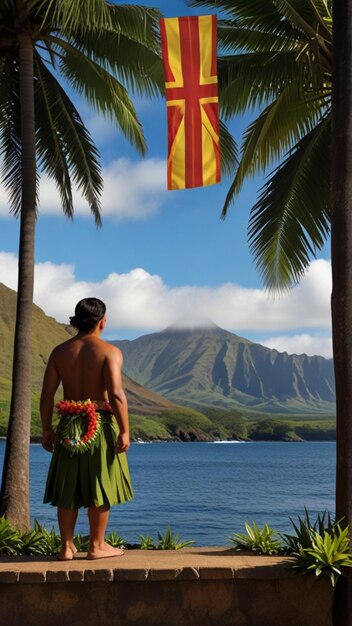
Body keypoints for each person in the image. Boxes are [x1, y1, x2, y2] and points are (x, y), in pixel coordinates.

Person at [40, 297, 134, 561]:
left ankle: (67, 546)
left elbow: (47, 394)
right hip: (100, 424)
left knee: (68, 485)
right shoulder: (109, 352)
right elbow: (116, 394)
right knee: (100, 483)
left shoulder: (60, 352)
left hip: (69, 423)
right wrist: (125, 430)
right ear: (102, 321)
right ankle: (97, 545)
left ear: (76, 320)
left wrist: (47, 429)